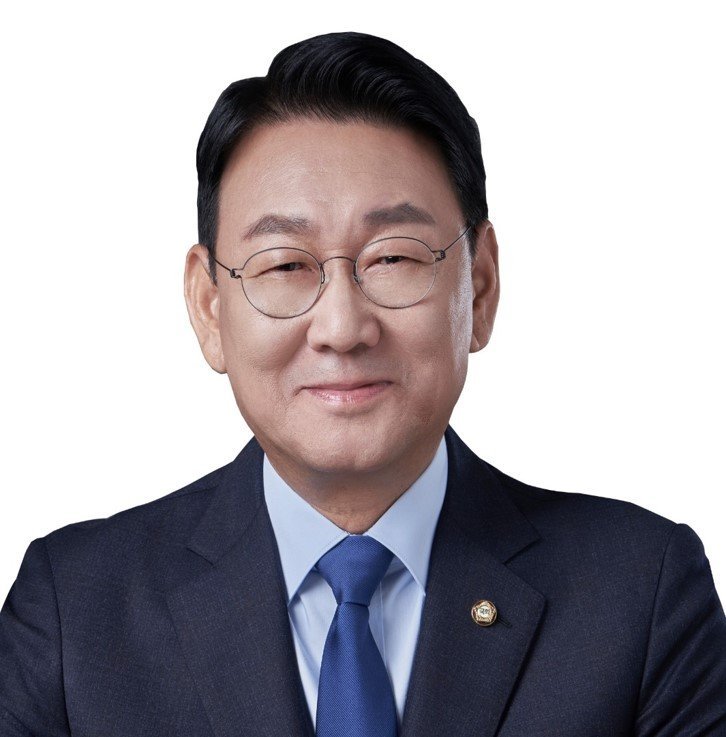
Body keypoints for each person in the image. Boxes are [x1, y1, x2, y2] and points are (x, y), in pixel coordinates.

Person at [1, 30, 724, 737]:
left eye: (393, 259)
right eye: (286, 265)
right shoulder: (73, 612)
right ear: (209, 307)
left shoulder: (641, 597)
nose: (343, 327)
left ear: (480, 286)